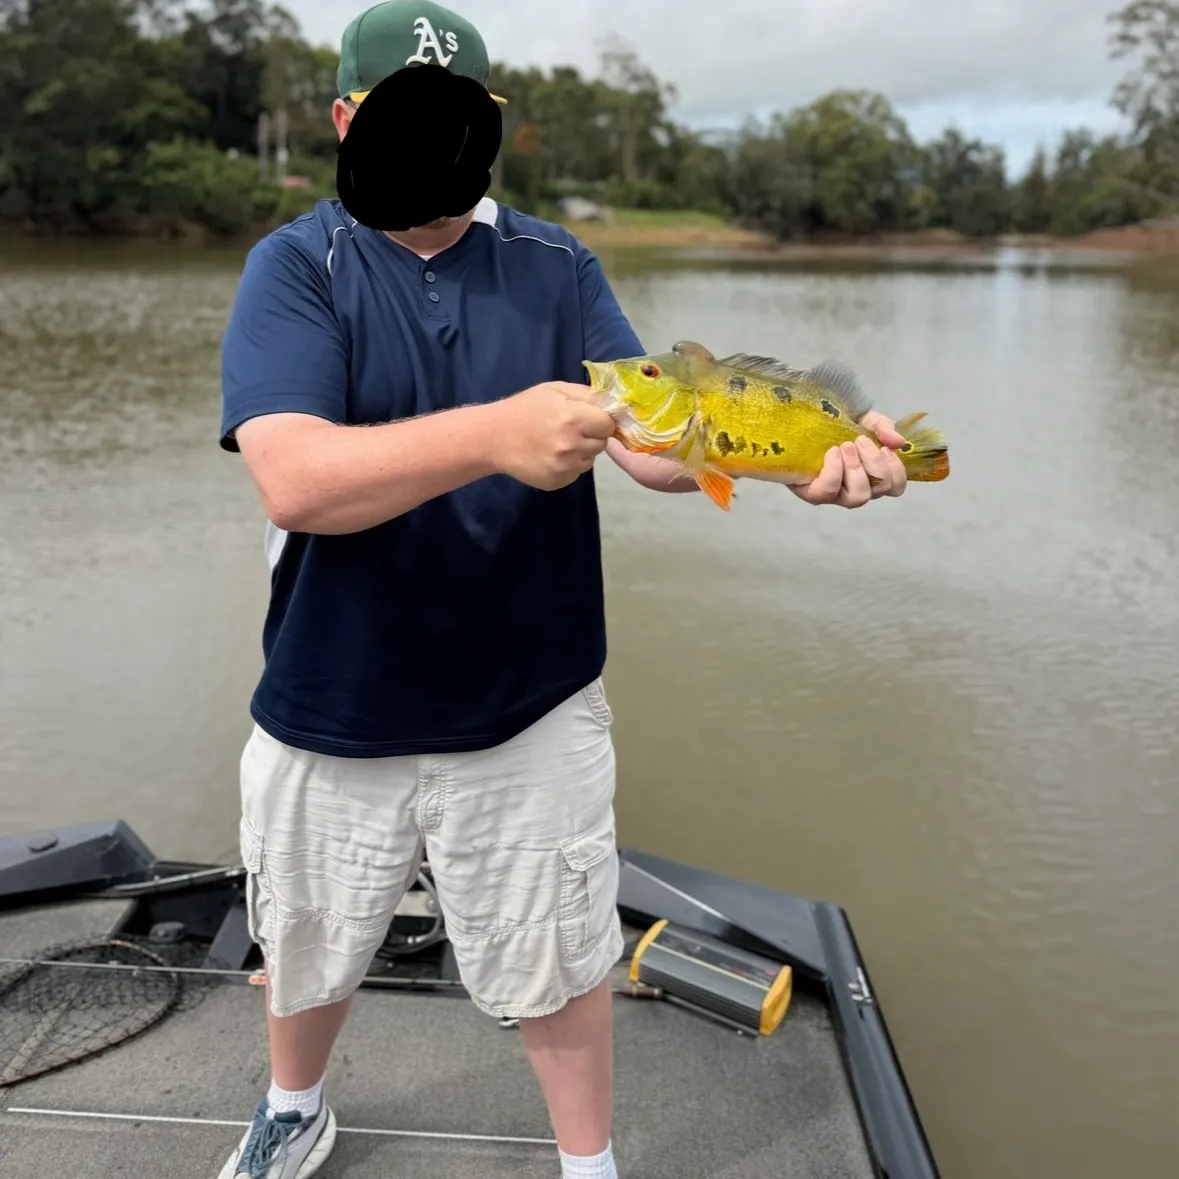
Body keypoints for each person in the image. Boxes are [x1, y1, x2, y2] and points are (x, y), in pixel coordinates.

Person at [215, 3, 910, 1177]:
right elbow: (293, 479)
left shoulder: (557, 265)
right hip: (332, 700)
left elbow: (651, 443)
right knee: (307, 935)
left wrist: (795, 463)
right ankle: (296, 1108)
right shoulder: (296, 265)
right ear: (347, 122)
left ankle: (588, 1166)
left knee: (562, 957)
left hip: (530, 705)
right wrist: (496, 433)